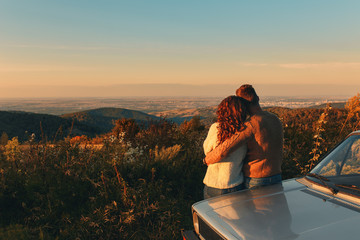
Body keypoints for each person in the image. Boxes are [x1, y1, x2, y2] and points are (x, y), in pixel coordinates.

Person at [205, 84, 283, 189]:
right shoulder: (275, 118)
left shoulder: (250, 124)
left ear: (243, 106)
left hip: (256, 179)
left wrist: (206, 160)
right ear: (258, 98)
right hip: (276, 175)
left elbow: (225, 149)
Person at [203, 96, 248, 199]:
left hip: (212, 184)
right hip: (234, 184)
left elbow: (207, 151)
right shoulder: (245, 131)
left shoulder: (216, 128)